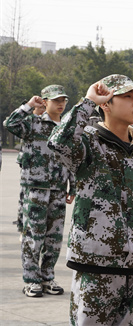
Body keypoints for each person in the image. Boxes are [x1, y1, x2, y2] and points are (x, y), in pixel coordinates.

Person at [48, 75, 133, 325]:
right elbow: (58, 143)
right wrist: (88, 101)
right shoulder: (89, 143)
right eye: (127, 97)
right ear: (106, 104)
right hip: (96, 264)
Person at [3, 84, 73, 298]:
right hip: (35, 189)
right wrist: (27, 106)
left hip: (58, 190)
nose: (60, 104)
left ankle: (47, 277)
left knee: (53, 238)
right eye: (55, 100)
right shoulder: (33, 123)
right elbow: (10, 124)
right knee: (33, 235)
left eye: (63, 100)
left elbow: (71, 159)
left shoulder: (67, 128)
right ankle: (31, 280)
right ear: (44, 101)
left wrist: (74, 186)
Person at [12, 103, 47, 239]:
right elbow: (11, 124)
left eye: (44, 108)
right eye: (40, 108)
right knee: (24, 199)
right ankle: (22, 226)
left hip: (41, 170)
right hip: (28, 167)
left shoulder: (46, 123)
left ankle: (28, 227)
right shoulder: (29, 122)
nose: (42, 111)